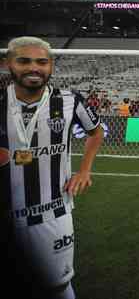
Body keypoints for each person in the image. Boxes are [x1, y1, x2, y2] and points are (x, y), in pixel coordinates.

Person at [1, 36, 103, 299]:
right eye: (24, 61)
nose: (33, 67)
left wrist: (85, 170)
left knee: (57, 285)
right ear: (7, 64)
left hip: (51, 211)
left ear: (51, 67)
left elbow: (96, 132)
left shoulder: (70, 101)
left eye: (41, 62)